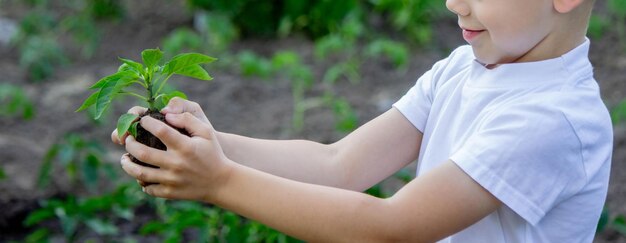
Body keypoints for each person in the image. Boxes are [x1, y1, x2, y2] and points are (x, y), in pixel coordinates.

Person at [111, 0, 613, 242]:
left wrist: (219, 181)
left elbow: (390, 228)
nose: (452, 3)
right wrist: (208, 143)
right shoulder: (464, 68)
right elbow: (339, 164)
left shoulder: (552, 119)